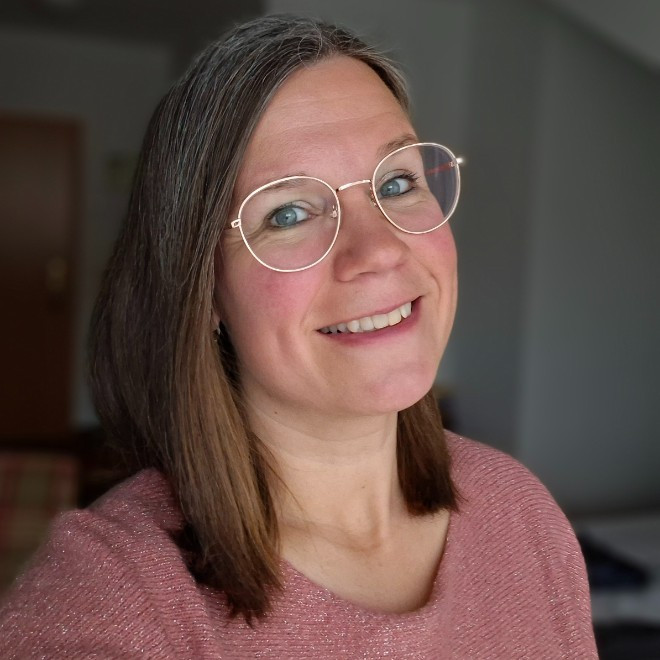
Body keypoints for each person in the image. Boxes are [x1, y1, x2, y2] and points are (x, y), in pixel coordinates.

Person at [0, 14, 597, 658]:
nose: (378, 251)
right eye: (288, 213)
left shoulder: (520, 511)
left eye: (397, 182)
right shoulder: (110, 598)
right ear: (203, 291)